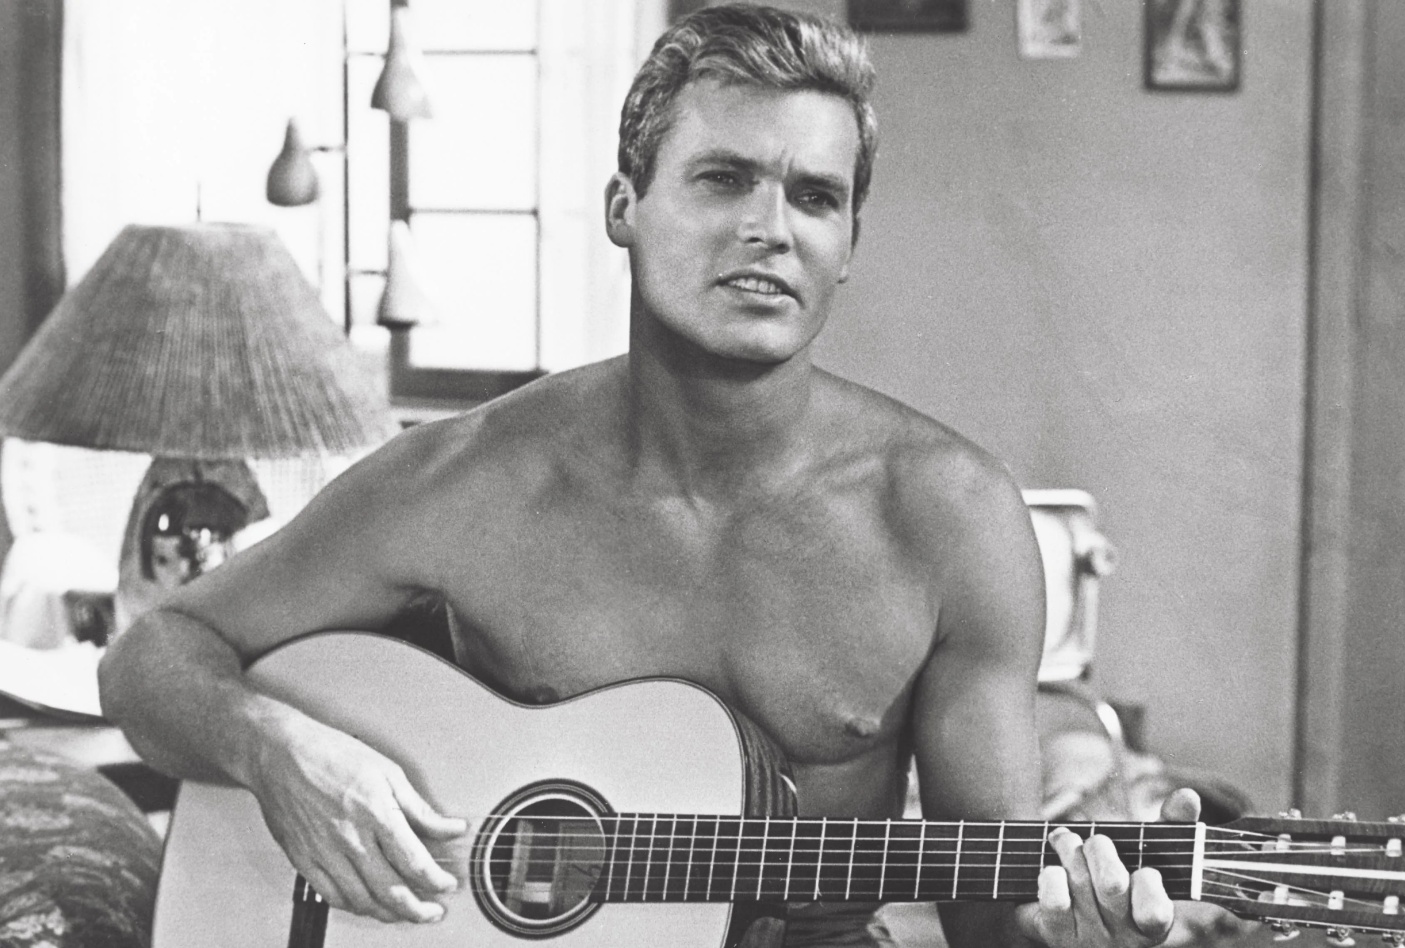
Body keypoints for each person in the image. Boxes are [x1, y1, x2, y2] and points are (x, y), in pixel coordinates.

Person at [100, 6, 1229, 946]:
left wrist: (1071, 934)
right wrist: (278, 754)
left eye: (815, 196)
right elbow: (152, 656)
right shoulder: (468, 481)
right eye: (723, 179)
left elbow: (989, 913)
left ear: (848, 243)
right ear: (624, 208)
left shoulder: (951, 517)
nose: (770, 229)